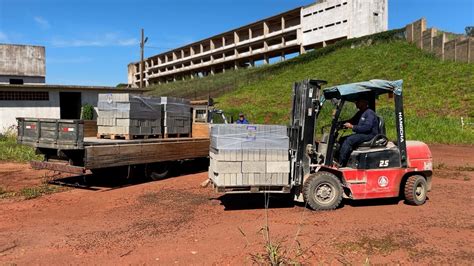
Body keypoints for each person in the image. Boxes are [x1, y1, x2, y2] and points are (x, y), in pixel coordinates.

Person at [338, 99, 379, 167]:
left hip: (370, 135)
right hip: (362, 134)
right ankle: (343, 159)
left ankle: (341, 163)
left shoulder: (369, 113)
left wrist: (352, 127)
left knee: (349, 140)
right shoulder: (360, 113)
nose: (356, 103)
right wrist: (341, 123)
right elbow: (351, 120)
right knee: (341, 139)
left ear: (364, 102)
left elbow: (367, 128)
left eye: (358, 101)